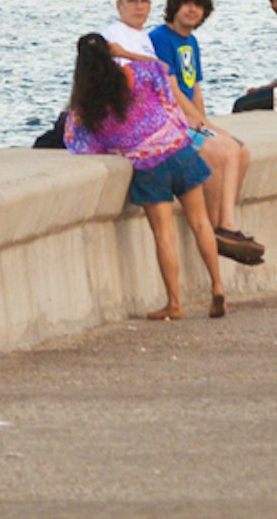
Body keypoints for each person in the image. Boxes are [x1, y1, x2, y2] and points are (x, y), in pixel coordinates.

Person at [60, 31, 225, 319]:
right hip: (178, 151)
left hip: (148, 167)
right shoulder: (137, 73)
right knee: (201, 223)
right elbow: (161, 67)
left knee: (164, 236)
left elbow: (76, 140)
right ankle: (218, 287)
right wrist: (126, 52)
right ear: (109, 53)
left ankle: (174, 303)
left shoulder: (87, 104)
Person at [146, 0, 266, 263]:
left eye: (199, 6)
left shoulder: (192, 42)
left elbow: (195, 88)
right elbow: (172, 89)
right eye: (187, 4)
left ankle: (227, 224)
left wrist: (207, 120)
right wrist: (201, 123)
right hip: (171, 121)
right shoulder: (160, 39)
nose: (192, 10)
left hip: (191, 118)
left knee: (241, 150)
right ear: (175, 6)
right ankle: (219, 227)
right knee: (219, 150)